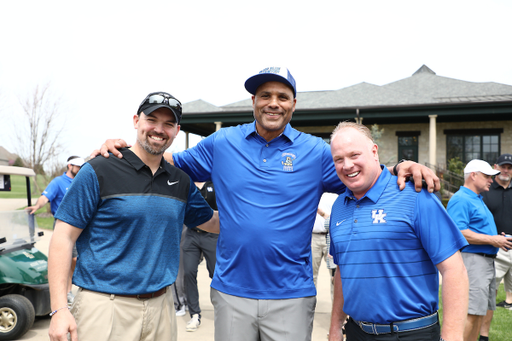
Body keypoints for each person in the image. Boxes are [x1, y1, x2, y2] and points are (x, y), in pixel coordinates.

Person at [96, 66, 440, 341]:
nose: (273, 102)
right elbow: (166, 159)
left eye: (282, 96)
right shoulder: (223, 143)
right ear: (253, 101)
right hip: (232, 292)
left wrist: (400, 167)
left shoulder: (316, 152)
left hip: (292, 294)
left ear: (293, 104)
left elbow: (363, 177)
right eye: (265, 95)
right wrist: (122, 150)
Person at [47, 92, 219, 341]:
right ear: (136, 120)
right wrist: (59, 309)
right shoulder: (99, 169)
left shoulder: (180, 181)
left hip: (161, 308)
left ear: (177, 130)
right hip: (104, 306)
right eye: (152, 120)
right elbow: (63, 237)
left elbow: (212, 222)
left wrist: (269, 215)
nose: (159, 129)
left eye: (168, 124)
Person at [328, 122, 468, 341]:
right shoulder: (338, 207)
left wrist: (452, 336)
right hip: (357, 332)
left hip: (411, 333)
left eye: (355, 155)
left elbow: (454, 271)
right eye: (339, 159)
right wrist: (336, 327)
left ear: (374, 152)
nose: (347, 165)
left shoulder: (415, 196)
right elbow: (342, 272)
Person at [447, 159, 512, 341]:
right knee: (471, 313)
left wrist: (500, 239)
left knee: (479, 313)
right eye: (487, 176)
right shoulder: (461, 199)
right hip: (473, 261)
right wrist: (493, 239)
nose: (492, 180)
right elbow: (458, 232)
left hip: (484, 261)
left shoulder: (476, 198)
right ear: (473, 175)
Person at [26, 155, 84, 305]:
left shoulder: (81, 181)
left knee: (76, 260)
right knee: (68, 259)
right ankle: (66, 293)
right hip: (63, 226)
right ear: (70, 166)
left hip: (81, 226)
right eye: (78, 166)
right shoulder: (58, 182)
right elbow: (45, 198)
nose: (80, 168)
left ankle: (70, 290)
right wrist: (37, 206)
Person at [479, 154, 512, 341]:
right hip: (495, 250)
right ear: (496, 167)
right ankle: (484, 336)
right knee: (490, 294)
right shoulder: (486, 190)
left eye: (510, 167)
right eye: (503, 167)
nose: (506, 170)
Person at [183, 181, 219, 332]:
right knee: (189, 272)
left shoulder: (214, 183)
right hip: (192, 235)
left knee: (216, 273)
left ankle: (221, 308)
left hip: (211, 236)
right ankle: (195, 314)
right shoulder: (187, 182)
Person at [311, 207, 328, 287]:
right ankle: (311, 299)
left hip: (329, 236)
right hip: (314, 236)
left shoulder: (334, 195)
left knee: (334, 273)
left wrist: (322, 214)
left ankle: (335, 299)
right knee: (312, 272)